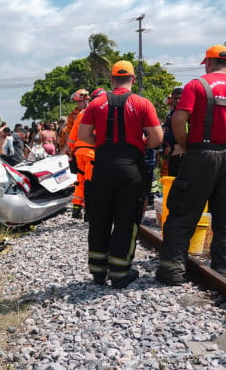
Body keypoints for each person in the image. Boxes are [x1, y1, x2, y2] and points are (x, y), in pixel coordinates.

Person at [156, 45, 226, 285]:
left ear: (208, 63)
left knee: (183, 212)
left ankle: (172, 270)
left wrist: (187, 144)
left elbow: (179, 120)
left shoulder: (196, 86)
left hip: (201, 153)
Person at [78, 62, 162, 289]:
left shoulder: (96, 103)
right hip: (130, 169)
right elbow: (157, 137)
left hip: (103, 167)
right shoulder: (143, 103)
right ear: (133, 79)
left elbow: (83, 134)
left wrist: (104, 146)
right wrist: (139, 146)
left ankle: (97, 272)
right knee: (126, 219)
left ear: (113, 79)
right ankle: (119, 272)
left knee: (100, 219)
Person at [68, 87, 105, 219]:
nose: (78, 104)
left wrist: (72, 152)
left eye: (79, 102)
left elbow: (72, 136)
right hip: (91, 153)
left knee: (80, 180)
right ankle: (89, 212)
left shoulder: (81, 114)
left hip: (79, 152)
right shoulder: (98, 113)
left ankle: (76, 209)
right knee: (90, 182)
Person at [162, 87, 184, 177]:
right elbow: (167, 132)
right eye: (175, 98)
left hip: (186, 153)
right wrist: (166, 146)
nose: (178, 100)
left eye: (180, 98)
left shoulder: (189, 113)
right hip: (173, 152)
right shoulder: (170, 116)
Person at [59, 89, 89, 155]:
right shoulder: (73, 114)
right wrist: (67, 146)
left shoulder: (93, 110)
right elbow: (68, 131)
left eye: (80, 101)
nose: (77, 104)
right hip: (77, 147)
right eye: (76, 102)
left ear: (86, 100)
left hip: (91, 146)